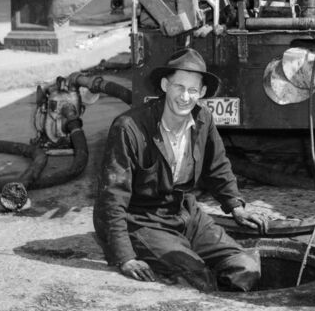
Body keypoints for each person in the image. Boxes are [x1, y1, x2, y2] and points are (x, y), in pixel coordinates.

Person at [94, 48, 270, 292]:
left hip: (186, 213)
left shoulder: (203, 119)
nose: (185, 96)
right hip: (144, 219)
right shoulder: (129, 127)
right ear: (166, 85)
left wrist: (236, 207)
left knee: (245, 267)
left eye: (193, 90)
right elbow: (112, 197)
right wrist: (124, 256)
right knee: (199, 278)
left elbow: (217, 166)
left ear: (202, 92)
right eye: (179, 87)